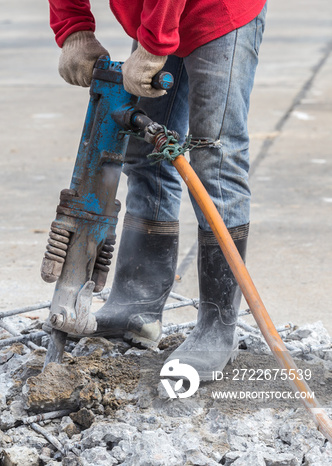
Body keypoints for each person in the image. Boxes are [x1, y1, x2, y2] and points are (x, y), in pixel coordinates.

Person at [47, 0, 266, 379]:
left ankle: (217, 327)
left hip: (218, 11)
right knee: (145, 150)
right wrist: (73, 28)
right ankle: (138, 305)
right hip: (157, 14)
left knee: (215, 157)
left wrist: (153, 44)